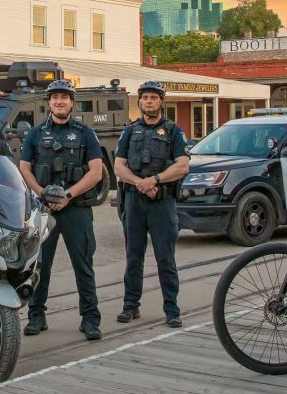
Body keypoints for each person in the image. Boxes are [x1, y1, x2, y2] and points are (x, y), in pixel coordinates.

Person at [19, 80, 106, 341]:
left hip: (76, 209)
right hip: (44, 210)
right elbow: (25, 168)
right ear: (48, 102)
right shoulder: (34, 134)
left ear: (72, 102)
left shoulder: (85, 133)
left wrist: (68, 196)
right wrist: (41, 193)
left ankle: (90, 319)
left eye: (64, 98)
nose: (59, 101)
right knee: (38, 266)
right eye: (55, 97)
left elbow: (96, 172)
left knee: (83, 265)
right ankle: (37, 316)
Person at [114, 81, 190, 328]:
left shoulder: (173, 132)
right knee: (133, 257)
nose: (149, 101)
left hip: (162, 202)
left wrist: (155, 180)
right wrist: (140, 183)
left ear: (161, 102)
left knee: (165, 258)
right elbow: (118, 166)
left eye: (154, 98)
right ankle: (130, 306)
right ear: (139, 102)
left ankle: (172, 309)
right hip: (135, 202)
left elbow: (182, 165)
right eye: (145, 97)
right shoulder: (130, 131)